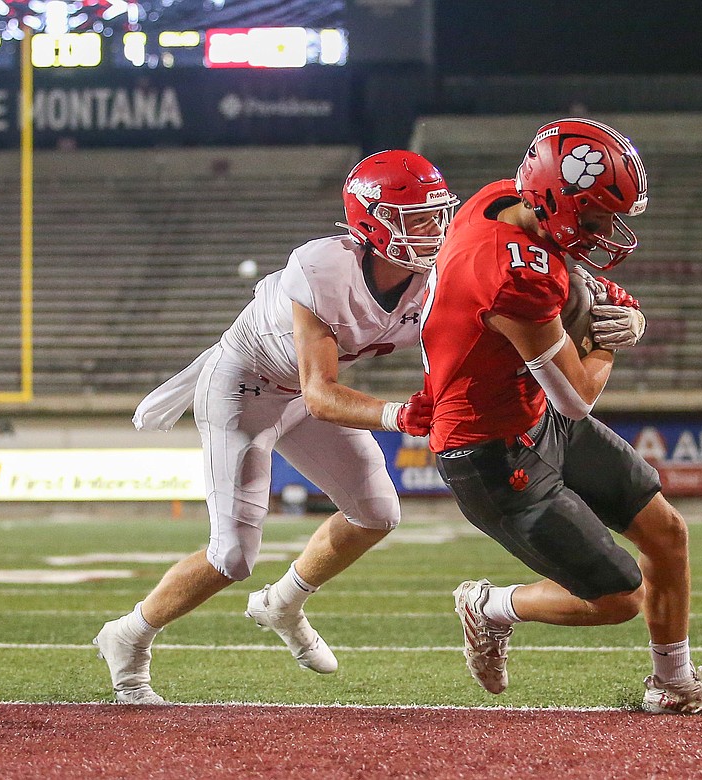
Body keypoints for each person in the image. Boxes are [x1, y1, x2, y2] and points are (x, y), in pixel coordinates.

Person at [92, 150, 459, 704]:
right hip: (246, 387)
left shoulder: (435, 278)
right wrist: (398, 414)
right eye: (417, 218)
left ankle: (283, 602)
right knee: (232, 556)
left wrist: (592, 317)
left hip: (308, 391)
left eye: (438, 214)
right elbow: (321, 393)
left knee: (378, 513)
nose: (434, 230)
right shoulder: (322, 267)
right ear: (374, 222)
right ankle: (129, 635)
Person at [419, 117, 702, 715]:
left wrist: (606, 302)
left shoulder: (503, 198)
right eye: (598, 217)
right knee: (616, 598)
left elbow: (564, 274)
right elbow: (575, 397)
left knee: (665, 533)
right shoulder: (513, 276)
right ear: (558, 202)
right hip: (488, 449)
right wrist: (610, 340)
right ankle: (490, 606)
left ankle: (673, 684)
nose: (607, 231)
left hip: (528, 415)